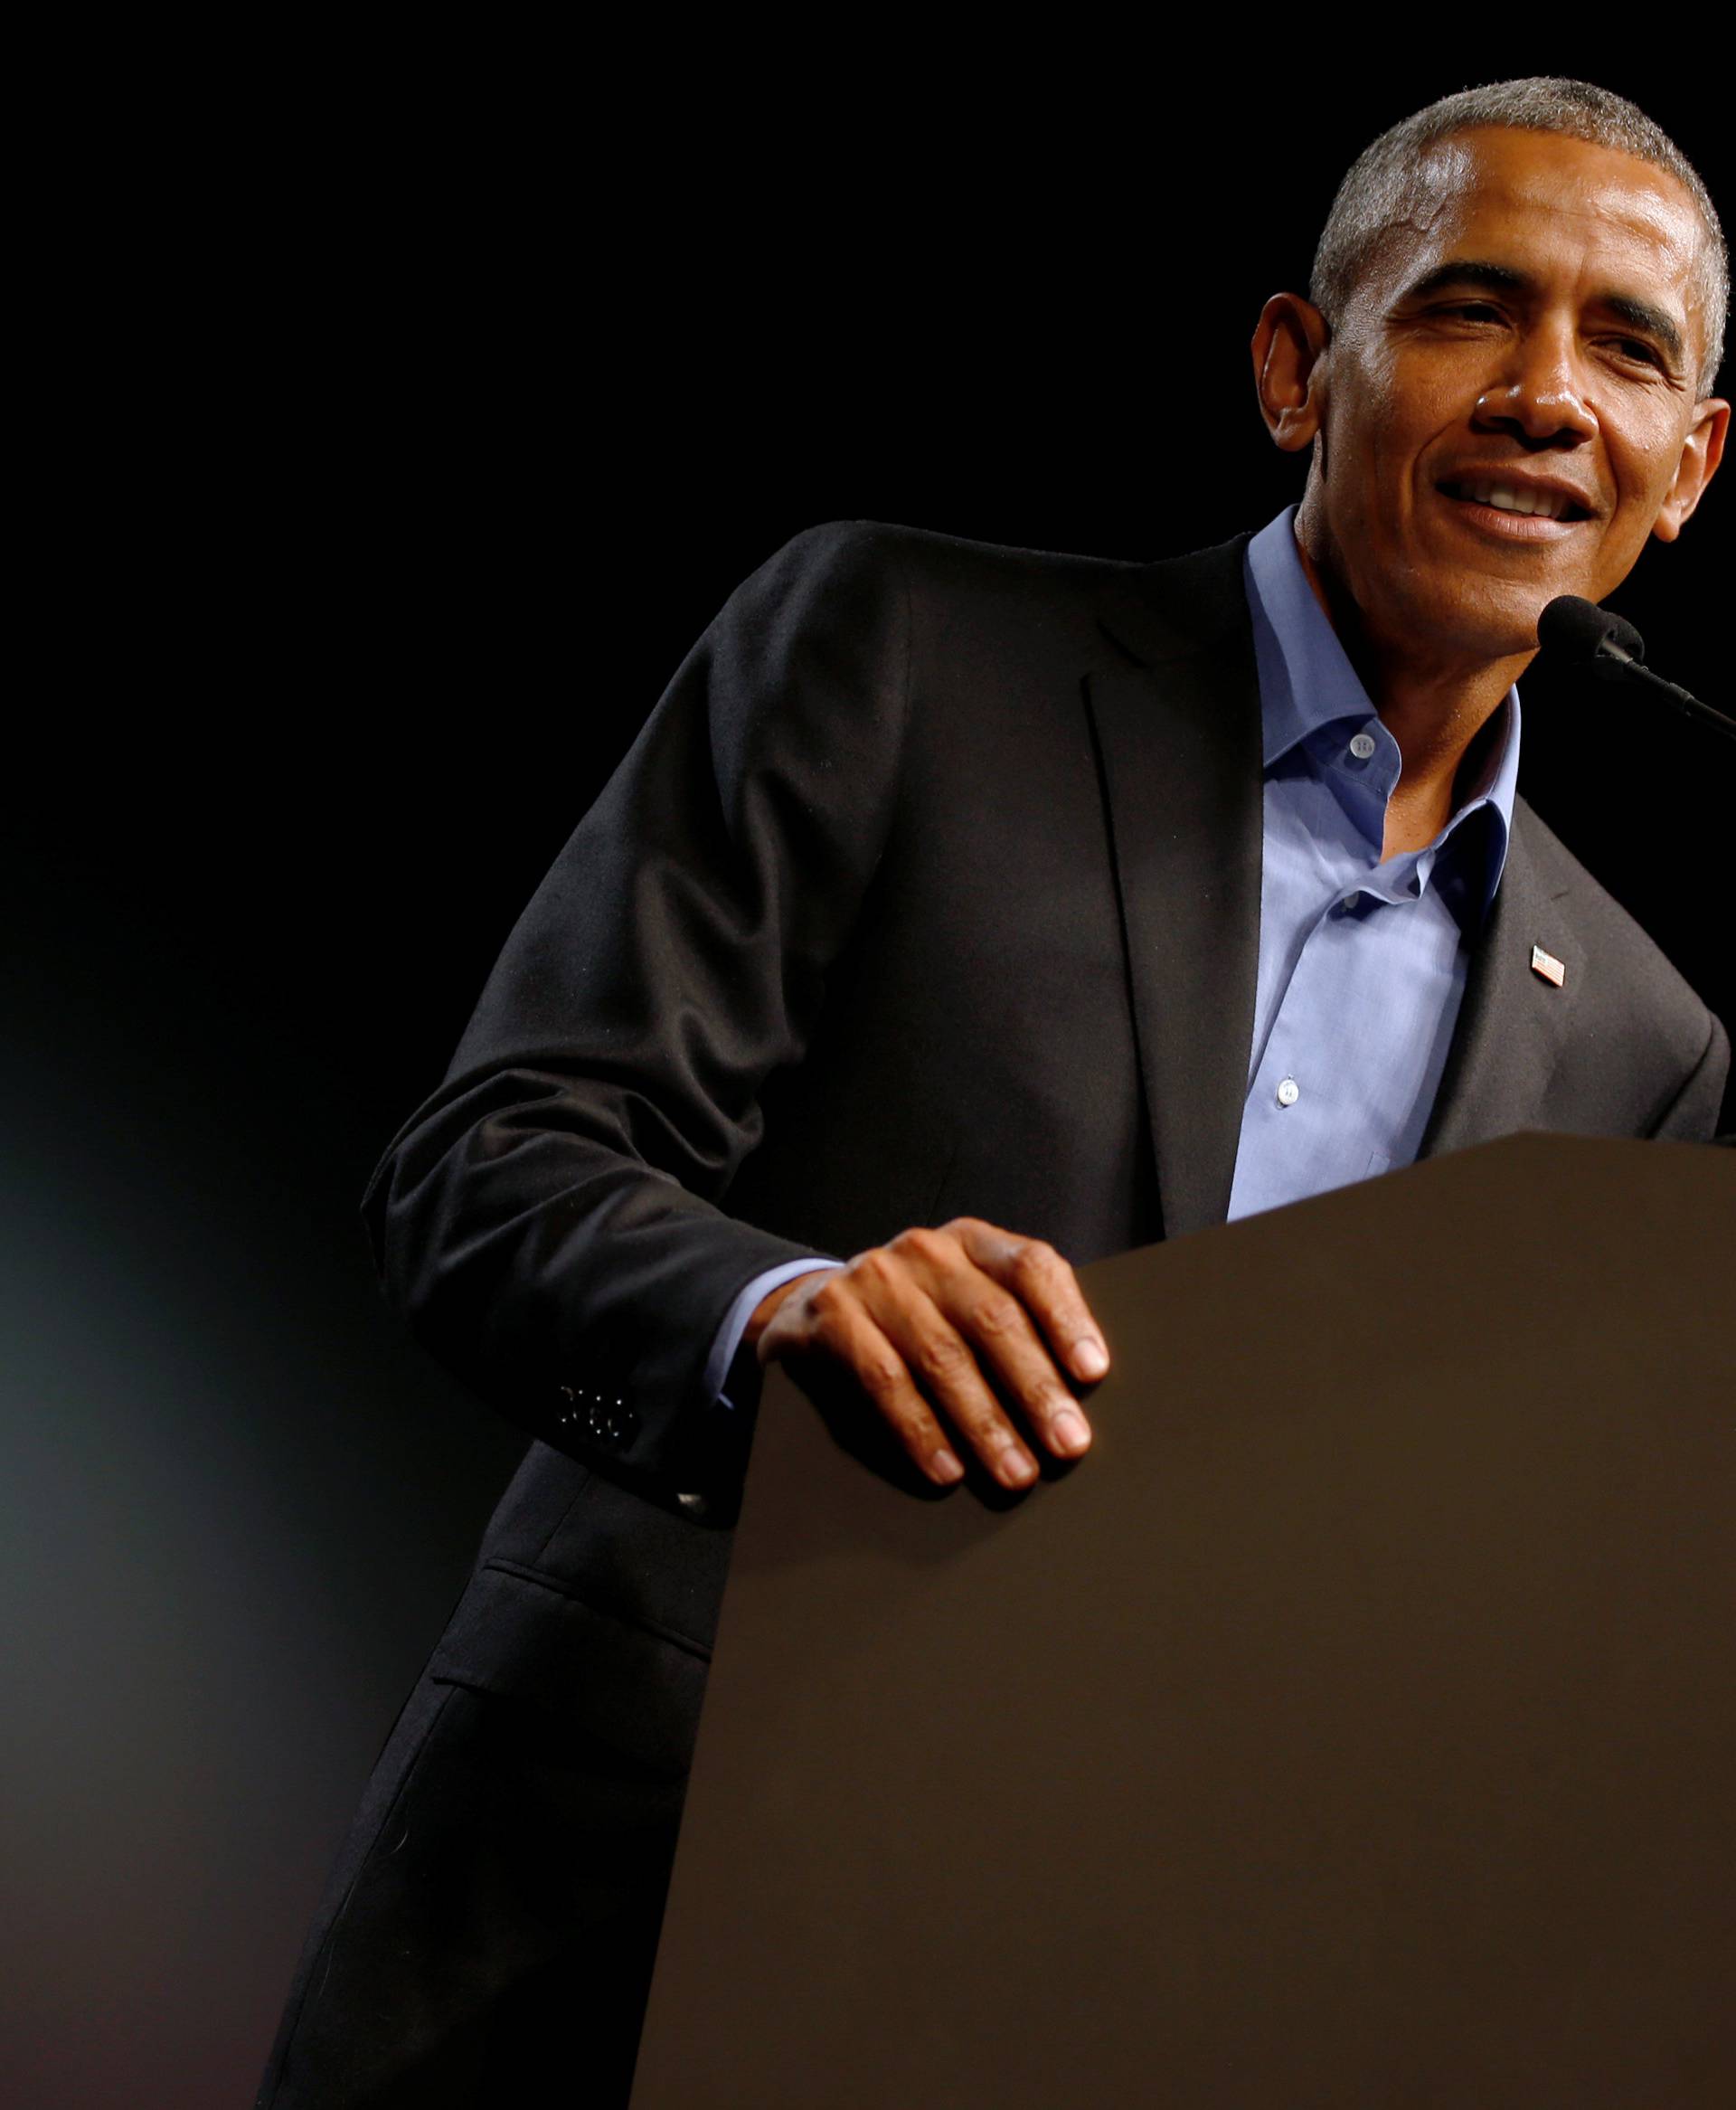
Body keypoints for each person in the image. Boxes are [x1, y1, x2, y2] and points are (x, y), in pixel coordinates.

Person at [259, 76, 1729, 2108]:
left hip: (1109, 2002)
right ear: (1298, 370)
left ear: (1692, 465)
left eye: (1627, 347)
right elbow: (485, 1168)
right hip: (618, 1927)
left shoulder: (1646, 1048)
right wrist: (785, 1313)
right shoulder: (906, 649)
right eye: (1473, 309)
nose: (1550, 394)